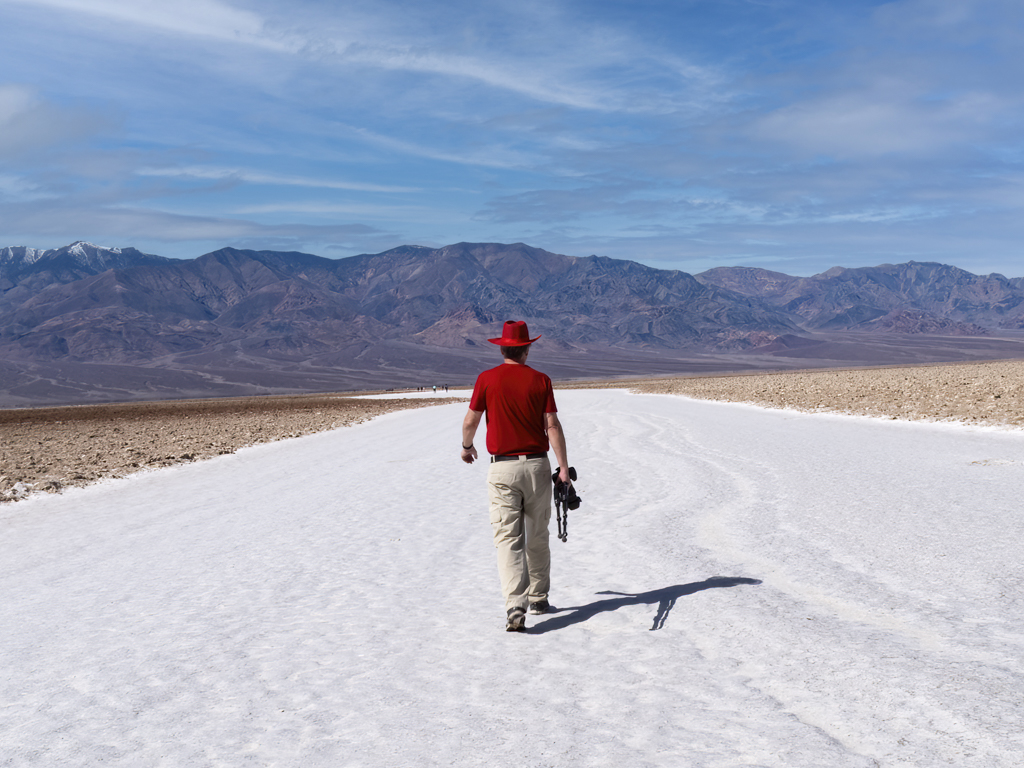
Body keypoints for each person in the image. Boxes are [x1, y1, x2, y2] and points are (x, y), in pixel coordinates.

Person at [461, 320, 571, 632]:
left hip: (502, 469)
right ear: (526, 348)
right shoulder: (541, 380)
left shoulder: (487, 379)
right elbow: (552, 425)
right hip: (537, 465)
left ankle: (515, 605)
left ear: (502, 347)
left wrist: (467, 447)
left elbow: (471, 420)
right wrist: (562, 468)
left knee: (508, 538)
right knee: (537, 533)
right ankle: (538, 597)